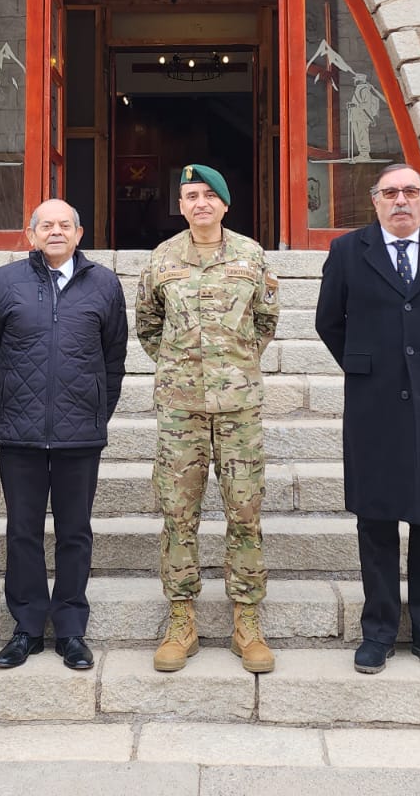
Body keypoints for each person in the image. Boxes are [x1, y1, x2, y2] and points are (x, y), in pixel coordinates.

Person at [313, 162, 420, 676]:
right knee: (377, 519)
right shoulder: (347, 251)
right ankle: (379, 631)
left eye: (410, 191)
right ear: (375, 201)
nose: (401, 200)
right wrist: (368, 367)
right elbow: (329, 321)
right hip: (374, 402)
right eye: (390, 192)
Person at [0, 199, 127, 672]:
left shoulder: (103, 283)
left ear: (80, 234)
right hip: (19, 432)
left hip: (80, 432)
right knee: (22, 531)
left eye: (65, 225)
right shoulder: (3, 283)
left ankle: (71, 629)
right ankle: (26, 628)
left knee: (75, 531)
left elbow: (114, 357)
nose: (56, 231)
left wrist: (96, 411)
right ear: (30, 234)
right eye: (46, 225)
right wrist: (12, 399)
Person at [137, 164, 279, 674]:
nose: (199, 203)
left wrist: (232, 366)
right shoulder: (162, 259)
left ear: (224, 204)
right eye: (189, 195)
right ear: (181, 205)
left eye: (208, 195)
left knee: (245, 513)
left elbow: (265, 321)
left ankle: (247, 620)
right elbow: (148, 327)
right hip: (181, 411)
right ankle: (182, 619)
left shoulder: (250, 256)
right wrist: (184, 369)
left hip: (239, 409)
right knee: (178, 514)